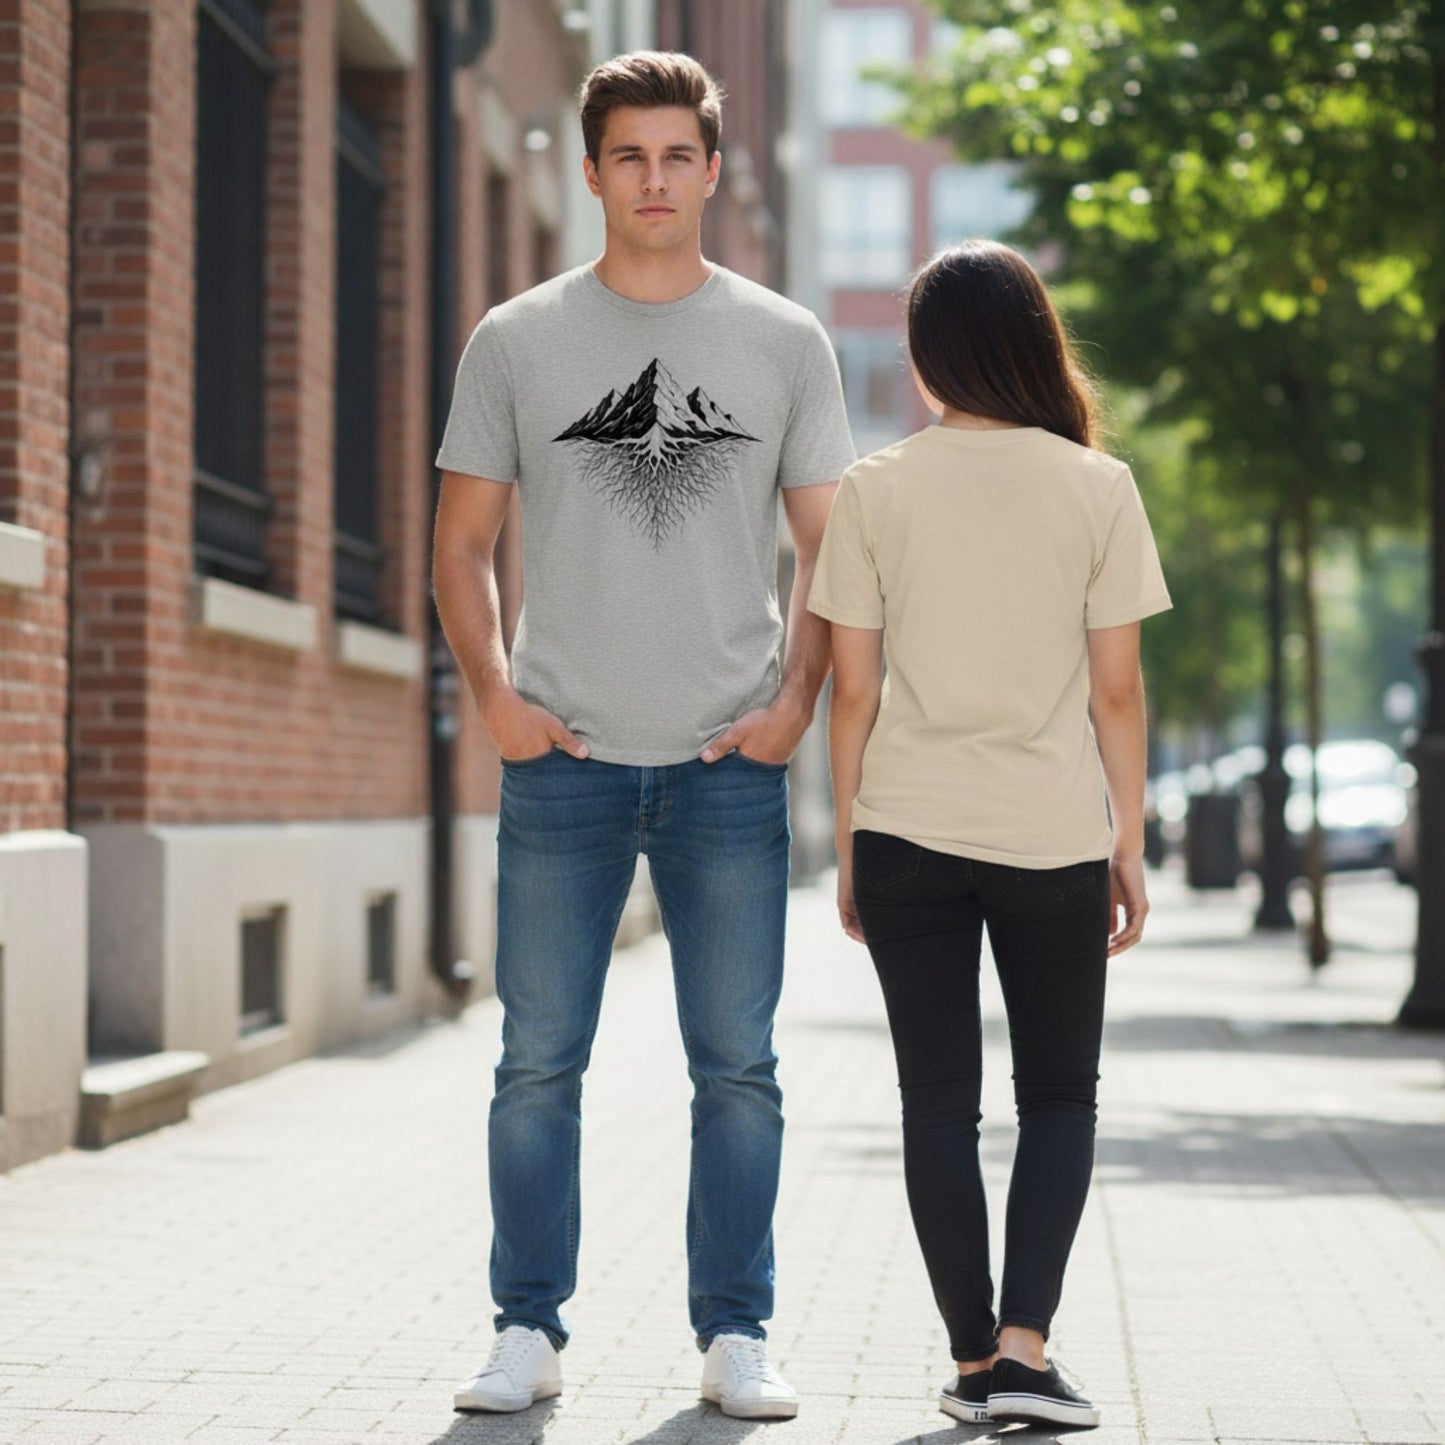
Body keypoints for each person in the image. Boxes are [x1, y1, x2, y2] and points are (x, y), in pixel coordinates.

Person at [432, 51, 855, 1422]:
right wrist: (496, 696)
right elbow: (460, 546)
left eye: (679, 156)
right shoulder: (517, 337)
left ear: (714, 169)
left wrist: (793, 705)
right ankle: (525, 1326)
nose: (656, 180)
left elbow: (832, 555)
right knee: (535, 1061)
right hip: (562, 764)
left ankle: (736, 1333)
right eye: (630, 156)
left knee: (737, 1067)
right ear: (594, 167)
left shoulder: (785, 341)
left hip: (727, 770)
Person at [807, 240, 1171, 1431]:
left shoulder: (875, 487)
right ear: (1032, 342)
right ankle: (1024, 1348)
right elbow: (1115, 692)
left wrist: (853, 842)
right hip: (1051, 835)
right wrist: (1126, 835)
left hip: (906, 828)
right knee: (1058, 1096)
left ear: (923, 360)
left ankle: (970, 1361)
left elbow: (848, 692)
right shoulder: (1094, 487)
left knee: (935, 1104)